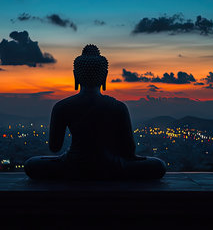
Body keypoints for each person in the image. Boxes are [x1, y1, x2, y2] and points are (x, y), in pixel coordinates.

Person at [25, 44, 166, 180]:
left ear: (76, 76)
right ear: (105, 76)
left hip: (72, 166)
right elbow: (129, 151)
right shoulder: (118, 107)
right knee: (158, 165)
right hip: (111, 167)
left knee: (32, 164)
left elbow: (55, 148)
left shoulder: (62, 106)